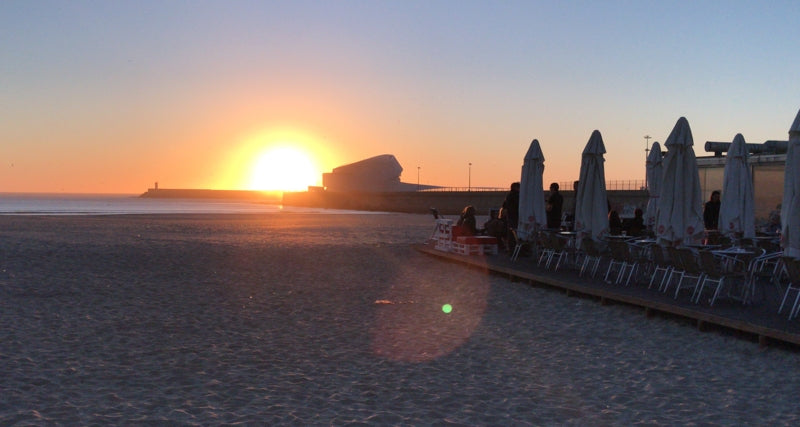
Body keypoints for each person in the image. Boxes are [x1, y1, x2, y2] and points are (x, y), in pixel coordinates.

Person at [500, 182, 520, 252]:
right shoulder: (516, 195)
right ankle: (515, 249)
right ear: (516, 188)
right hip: (515, 216)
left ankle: (511, 249)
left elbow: (504, 206)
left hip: (510, 217)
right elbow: (519, 205)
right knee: (515, 233)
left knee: (511, 233)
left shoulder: (508, 196)